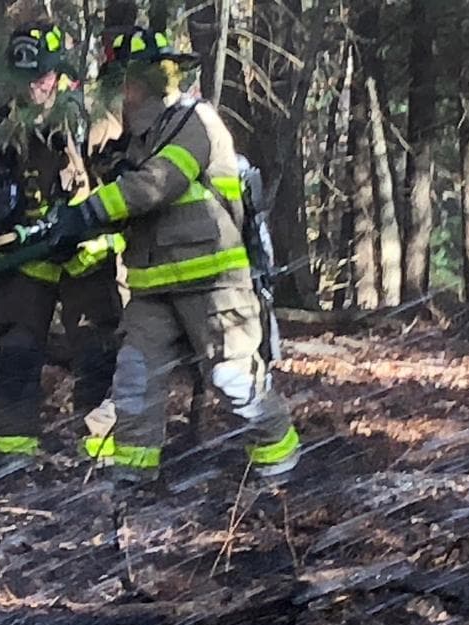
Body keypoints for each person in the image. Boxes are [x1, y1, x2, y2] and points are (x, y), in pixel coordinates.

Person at [25, 27, 300, 482]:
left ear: (146, 80)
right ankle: (134, 484)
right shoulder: (136, 141)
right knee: (135, 386)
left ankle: (281, 470)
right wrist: (71, 228)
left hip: (212, 286)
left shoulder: (195, 122)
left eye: (123, 82)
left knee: (234, 381)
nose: (118, 94)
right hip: (151, 290)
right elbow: (127, 209)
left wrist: (89, 211)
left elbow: (157, 184)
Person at [0, 22, 124, 464]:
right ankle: (13, 452)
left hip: (86, 261)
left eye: (41, 77)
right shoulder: (2, 128)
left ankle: (99, 453)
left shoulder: (91, 120)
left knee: (98, 354)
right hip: (24, 264)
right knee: (16, 354)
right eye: (24, 78)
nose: (33, 88)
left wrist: (92, 233)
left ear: (57, 72)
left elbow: (126, 193)